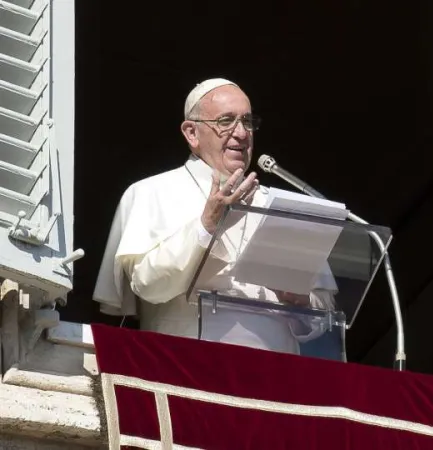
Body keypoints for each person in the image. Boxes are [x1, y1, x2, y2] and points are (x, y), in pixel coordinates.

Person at [93, 78, 336, 355]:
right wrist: (206, 225)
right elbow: (148, 285)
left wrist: (300, 300)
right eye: (225, 121)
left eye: (247, 121)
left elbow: (325, 317)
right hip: (187, 368)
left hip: (277, 380)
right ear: (192, 133)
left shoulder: (282, 207)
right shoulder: (151, 192)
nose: (242, 133)